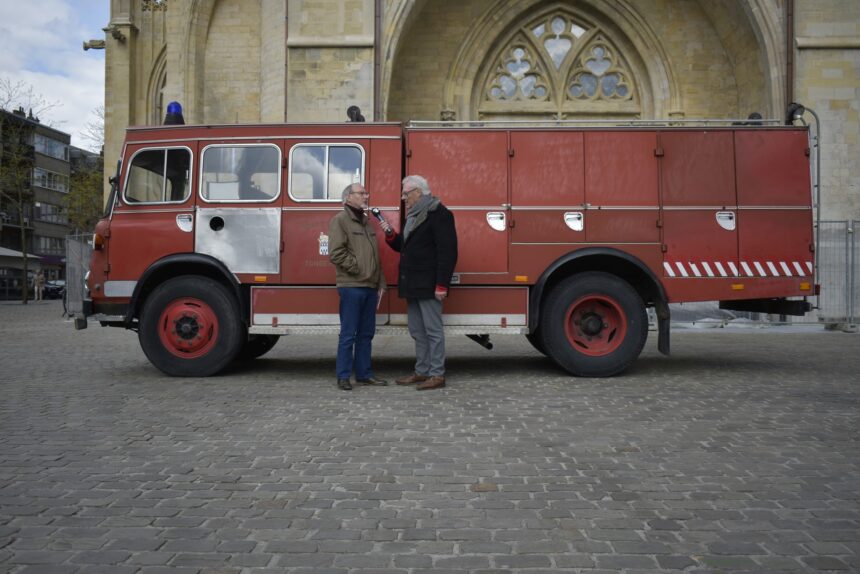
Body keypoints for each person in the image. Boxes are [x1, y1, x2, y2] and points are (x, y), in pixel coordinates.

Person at [379, 175, 458, 390]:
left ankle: (437, 375)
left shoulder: (439, 214)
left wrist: (442, 284)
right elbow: (405, 247)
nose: (403, 198)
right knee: (417, 330)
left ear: (419, 193)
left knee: (433, 331)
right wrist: (391, 236)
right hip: (413, 284)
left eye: (406, 194)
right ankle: (422, 371)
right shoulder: (414, 216)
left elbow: (448, 252)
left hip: (430, 284)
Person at [328, 182, 388, 391]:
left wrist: (380, 281)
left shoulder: (367, 222)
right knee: (348, 333)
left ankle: (364, 374)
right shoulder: (340, 220)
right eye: (361, 193)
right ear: (348, 197)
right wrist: (359, 270)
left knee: (366, 334)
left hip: (370, 287)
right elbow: (336, 253)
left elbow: (375, 256)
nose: (365, 195)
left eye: (365, 192)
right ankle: (343, 376)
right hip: (351, 286)